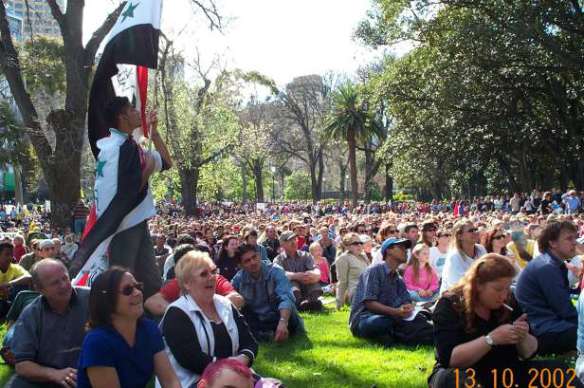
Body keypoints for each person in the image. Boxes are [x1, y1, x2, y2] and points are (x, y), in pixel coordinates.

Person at [70, 96, 173, 299]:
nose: (138, 112)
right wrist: (148, 169)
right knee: (122, 284)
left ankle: (153, 324)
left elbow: (167, 162)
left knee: (151, 281)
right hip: (123, 226)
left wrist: (155, 132)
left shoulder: (130, 145)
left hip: (138, 222)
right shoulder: (116, 149)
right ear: (122, 116)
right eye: (132, 109)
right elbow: (125, 193)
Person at [429, 254, 581, 388]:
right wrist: (491, 339)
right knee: (453, 380)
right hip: (466, 372)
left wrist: (522, 336)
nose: (504, 295)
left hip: (503, 370)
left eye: (507, 288)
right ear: (477, 285)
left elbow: (528, 353)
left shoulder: (509, 303)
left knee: (561, 373)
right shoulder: (450, 305)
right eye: (498, 289)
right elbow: (450, 359)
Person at [160, 251, 259, 388]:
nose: (212, 277)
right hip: (192, 382)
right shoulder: (176, 313)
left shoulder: (225, 304)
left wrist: (244, 358)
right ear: (187, 283)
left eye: (213, 271)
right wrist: (232, 367)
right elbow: (191, 359)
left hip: (234, 376)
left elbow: (250, 342)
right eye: (203, 274)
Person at [76, 268, 180, 388]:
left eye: (138, 286)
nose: (137, 293)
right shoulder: (97, 342)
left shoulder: (149, 329)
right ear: (107, 300)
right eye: (128, 290)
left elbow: (170, 382)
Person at [9, 259, 90, 388]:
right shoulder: (31, 314)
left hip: (88, 375)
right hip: (46, 378)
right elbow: (22, 365)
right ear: (40, 289)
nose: (64, 285)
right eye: (55, 283)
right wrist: (54, 374)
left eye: (65, 278)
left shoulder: (92, 299)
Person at [349, 237, 434, 346]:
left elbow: (406, 300)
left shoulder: (398, 278)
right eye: (401, 247)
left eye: (406, 248)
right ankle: (400, 335)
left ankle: (396, 336)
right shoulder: (374, 270)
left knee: (419, 320)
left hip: (391, 317)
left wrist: (407, 307)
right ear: (388, 250)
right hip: (366, 318)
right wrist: (396, 312)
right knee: (381, 322)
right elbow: (369, 303)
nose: (405, 251)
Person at [515, 221, 579, 355]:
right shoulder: (547, 268)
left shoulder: (550, 263)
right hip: (543, 331)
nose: (575, 242)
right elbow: (564, 309)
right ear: (552, 243)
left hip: (547, 324)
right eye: (569, 238)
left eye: (575, 237)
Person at [231, 244, 303, 342]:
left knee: (288, 305)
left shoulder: (276, 271)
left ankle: (270, 333)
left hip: (279, 316)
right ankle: (264, 335)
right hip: (258, 319)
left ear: (259, 255)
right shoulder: (238, 279)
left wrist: (283, 322)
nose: (253, 262)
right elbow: (228, 302)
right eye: (247, 261)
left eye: (254, 257)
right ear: (241, 265)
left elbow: (286, 297)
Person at [274, 231, 322, 311]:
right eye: (290, 240)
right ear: (282, 244)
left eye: (295, 239)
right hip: (293, 290)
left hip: (306, 285)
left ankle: (310, 301)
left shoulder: (306, 255)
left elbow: (316, 269)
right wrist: (295, 276)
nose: (294, 242)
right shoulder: (278, 259)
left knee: (314, 284)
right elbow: (279, 274)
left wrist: (314, 274)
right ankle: (300, 302)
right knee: (292, 284)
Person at [440, 220, 487, 294]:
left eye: (475, 229)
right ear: (460, 236)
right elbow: (459, 287)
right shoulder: (454, 257)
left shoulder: (481, 249)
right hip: (455, 299)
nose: (475, 232)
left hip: (478, 293)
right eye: (471, 231)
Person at [334, 233, 369, 309]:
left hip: (369, 289)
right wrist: (339, 304)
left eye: (361, 243)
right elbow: (342, 282)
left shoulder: (364, 256)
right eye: (355, 243)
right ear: (347, 246)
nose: (359, 245)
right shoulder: (343, 259)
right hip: (356, 292)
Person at [0, 242, 32, 319]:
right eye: (7, 254)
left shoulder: (14, 267)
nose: (10, 257)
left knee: (23, 284)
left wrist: (9, 283)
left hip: (7, 298)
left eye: (11, 254)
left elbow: (28, 277)